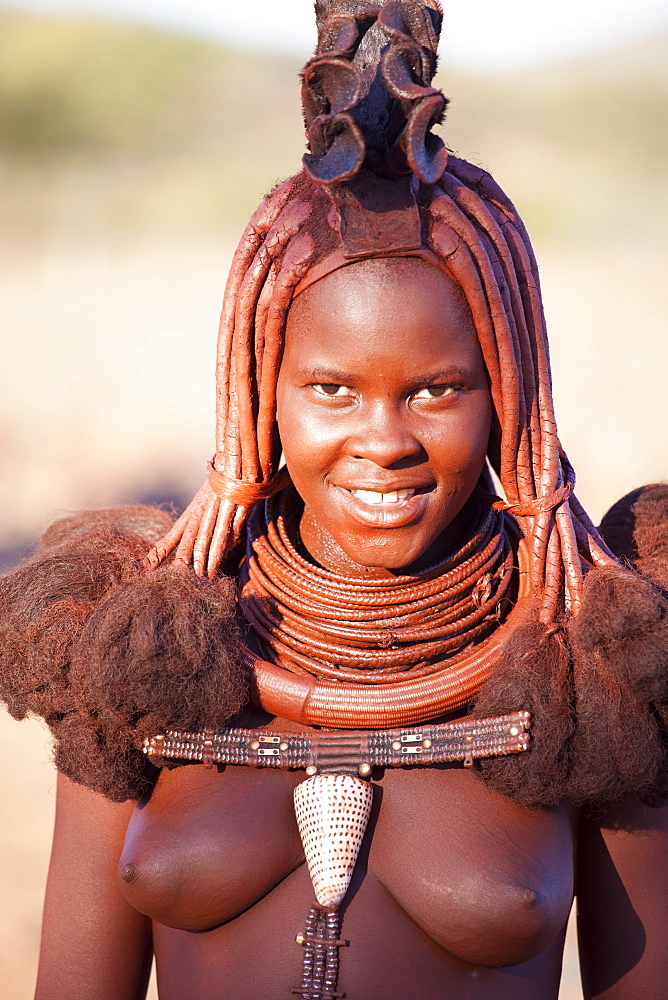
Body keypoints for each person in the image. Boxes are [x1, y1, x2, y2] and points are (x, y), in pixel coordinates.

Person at [2, 2, 668, 998]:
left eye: (437, 388)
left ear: (508, 392)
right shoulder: (142, 643)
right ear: (262, 389)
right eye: (331, 389)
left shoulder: (592, 657)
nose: (383, 440)